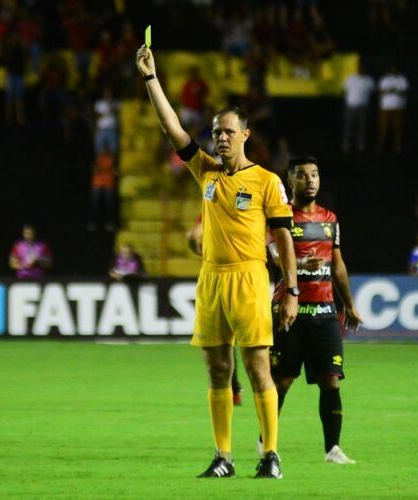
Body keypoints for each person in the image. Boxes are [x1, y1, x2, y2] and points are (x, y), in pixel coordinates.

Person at [136, 44, 298, 479]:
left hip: (249, 278)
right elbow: (172, 128)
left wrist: (291, 290)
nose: (220, 137)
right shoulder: (205, 171)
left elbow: (284, 238)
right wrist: (151, 77)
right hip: (211, 279)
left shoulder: (266, 180)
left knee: (257, 366)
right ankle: (223, 457)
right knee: (217, 369)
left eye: (228, 131)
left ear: (245, 134)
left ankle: (270, 455)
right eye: (216, 131)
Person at [266, 155, 361, 465]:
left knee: (330, 379)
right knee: (282, 381)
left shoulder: (330, 219)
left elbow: (338, 264)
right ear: (290, 181)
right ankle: (266, 442)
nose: (310, 180)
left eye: (315, 175)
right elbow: (273, 254)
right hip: (290, 311)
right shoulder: (281, 217)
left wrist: (349, 303)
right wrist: (297, 263)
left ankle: (333, 449)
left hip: (324, 312)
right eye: (303, 175)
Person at [187, 216, 244, 406]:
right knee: (231, 342)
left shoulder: (213, 210)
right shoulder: (213, 208)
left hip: (238, 277)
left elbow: (194, 235)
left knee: (228, 342)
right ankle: (235, 390)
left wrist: (195, 240)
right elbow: (195, 235)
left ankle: (235, 390)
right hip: (231, 277)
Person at [342, 62, 374, 153]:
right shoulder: (350, 78)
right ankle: (346, 143)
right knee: (348, 126)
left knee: (362, 126)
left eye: (362, 69)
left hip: (363, 107)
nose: (361, 70)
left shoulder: (369, 80)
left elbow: (372, 91)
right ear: (357, 69)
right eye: (359, 68)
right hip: (351, 106)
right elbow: (345, 90)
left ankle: (361, 144)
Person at [377, 65, 409, 154]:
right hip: (385, 108)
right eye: (392, 70)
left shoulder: (402, 79)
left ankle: (398, 148)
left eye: (395, 70)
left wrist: (391, 91)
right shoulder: (385, 79)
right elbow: (380, 92)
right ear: (390, 70)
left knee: (398, 129)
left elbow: (404, 92)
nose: (393, 71)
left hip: (399, 108)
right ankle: (381, 147)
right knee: (383, 129)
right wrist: (394, 91)